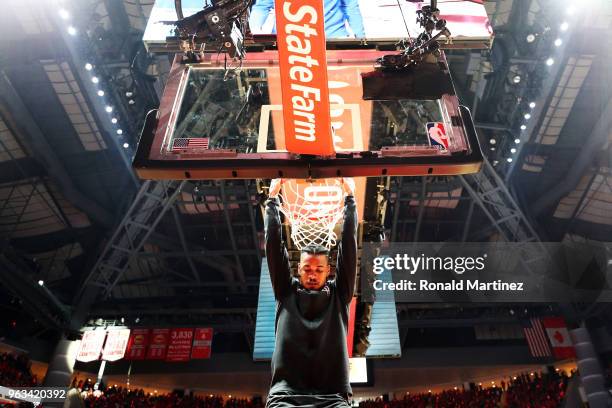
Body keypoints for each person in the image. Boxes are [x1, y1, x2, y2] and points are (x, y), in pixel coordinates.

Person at [264, 178, 357, 408]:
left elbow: (349, 247)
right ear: (298, 269)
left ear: (328, 271)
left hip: (332, 398)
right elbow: (274, 246)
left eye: (318, 269)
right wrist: (272, 202)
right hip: (286, 397)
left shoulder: (339, 294)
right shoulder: (285, 290)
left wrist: (351, 201)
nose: (312, 274)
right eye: (307, 269)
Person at [249, 0, 366, 38]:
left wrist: (361, 39)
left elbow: (350, 6)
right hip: (289, 44)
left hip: (331, 40)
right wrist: (255, 32)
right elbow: (261, 7)